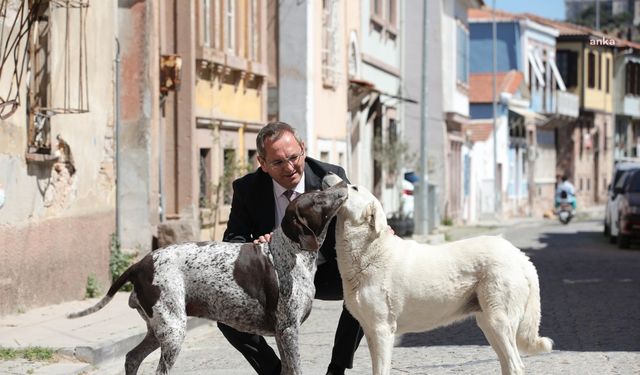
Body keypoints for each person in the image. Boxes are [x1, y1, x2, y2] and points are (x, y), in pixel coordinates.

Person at [220, 121, 364, 375]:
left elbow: (359, 218)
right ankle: (274, 371)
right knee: (222, 309)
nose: (289, 167)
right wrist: (254, 246)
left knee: (365, 290)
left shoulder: (330, 178)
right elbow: (233, 240)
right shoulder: (246, 189)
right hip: (274, 278)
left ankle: (337, 368)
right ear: (262, 164)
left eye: (293, 157)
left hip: (325, 270)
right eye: (278, 162)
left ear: (303, 149)